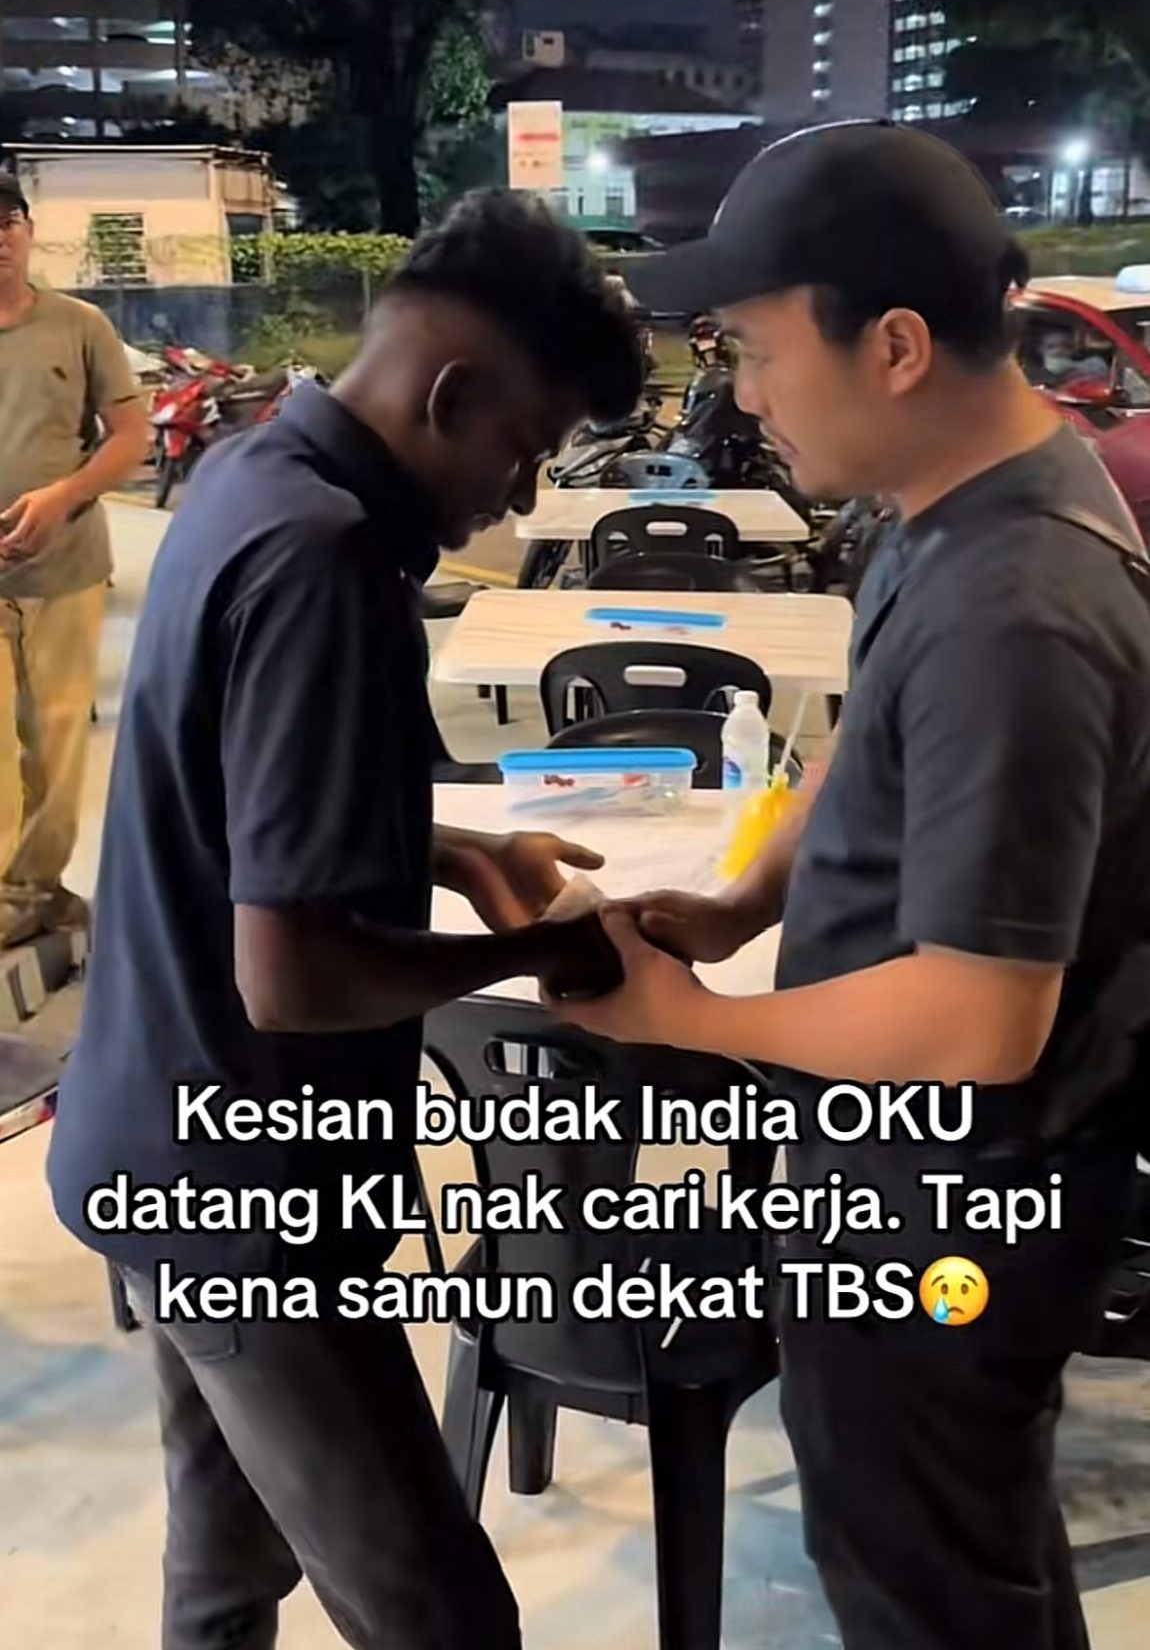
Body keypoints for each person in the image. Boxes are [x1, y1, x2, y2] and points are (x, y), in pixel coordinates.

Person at [566, 122, 1150, 1650]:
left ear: (892, 347)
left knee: (924, 1589)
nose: (744, 396)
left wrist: (686, 1021)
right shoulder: (946, 514)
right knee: (961, 1557)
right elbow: (857, 753)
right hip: (901, 1173)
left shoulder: (1015, 606)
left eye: (757, 352)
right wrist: (743, 902)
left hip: (953, 1203)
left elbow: (976, 1019)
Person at [47, 191, 644, 1650]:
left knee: (223, 1575)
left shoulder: (248, 476)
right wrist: (550, 949)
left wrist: (457, 851)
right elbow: (295, 974)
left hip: (154, 1144)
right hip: (240, 1192)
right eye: (524, 446)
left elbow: (233, 802)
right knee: (439, 1617)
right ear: (451, 394)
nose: (521, 495)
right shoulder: (326, 561)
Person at [0, 170, 149, 948]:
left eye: (8, 220)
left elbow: (130, 437)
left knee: (57, 742)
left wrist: (64, 496)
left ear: (28, 231)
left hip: (65, 570)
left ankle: (35, 887)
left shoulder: (79, 325)